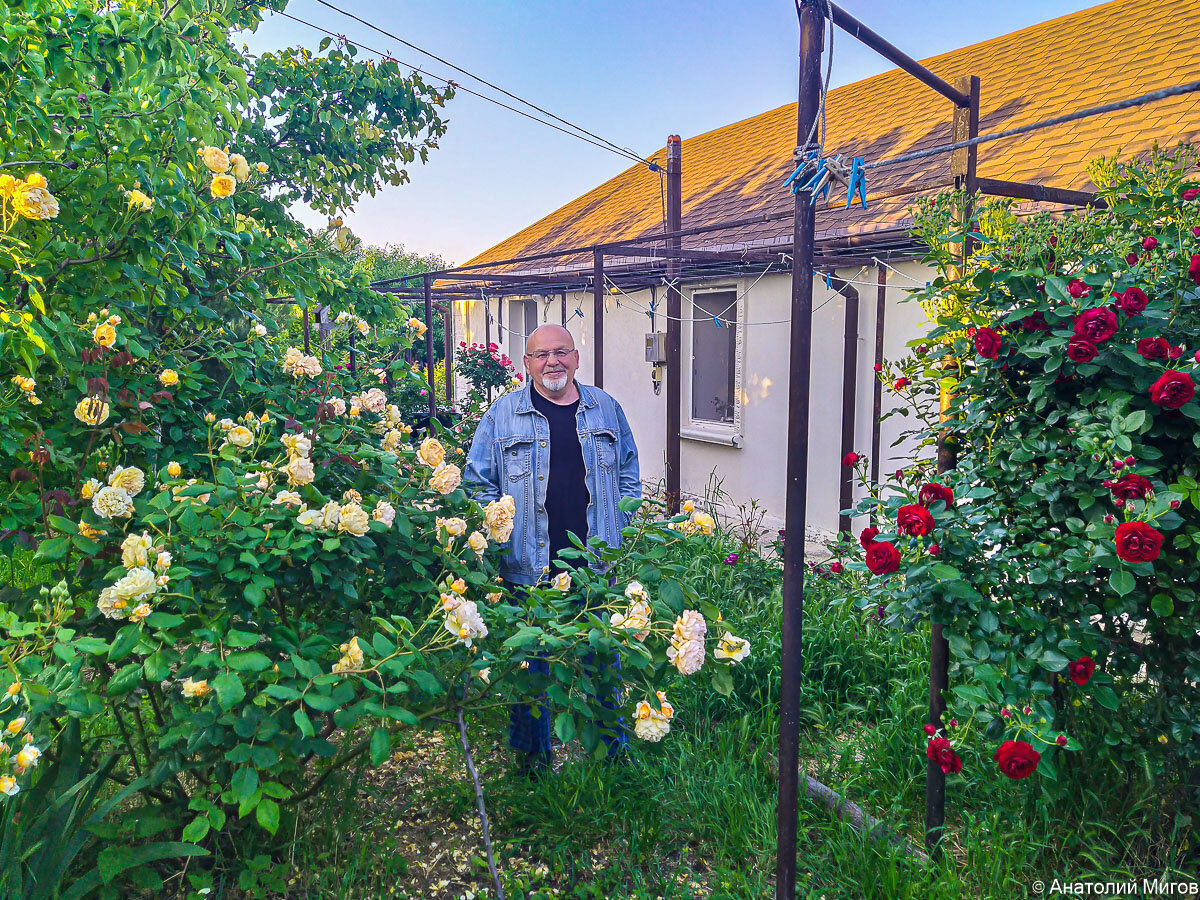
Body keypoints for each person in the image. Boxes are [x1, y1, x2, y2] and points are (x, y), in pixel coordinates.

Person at [464, 324, 641, 774]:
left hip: (594, 569)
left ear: (577, 358)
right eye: (541, 355)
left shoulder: (606, 411)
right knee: (531, 670)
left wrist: (619, 523)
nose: (552, 362)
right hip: (528, 569)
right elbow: (477, 483)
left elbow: (628, 475)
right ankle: (532, 763)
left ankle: (613, 756)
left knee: (603, 664)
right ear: (527, 364)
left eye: (561, 352)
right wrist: (500, 529)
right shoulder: (502, 416)